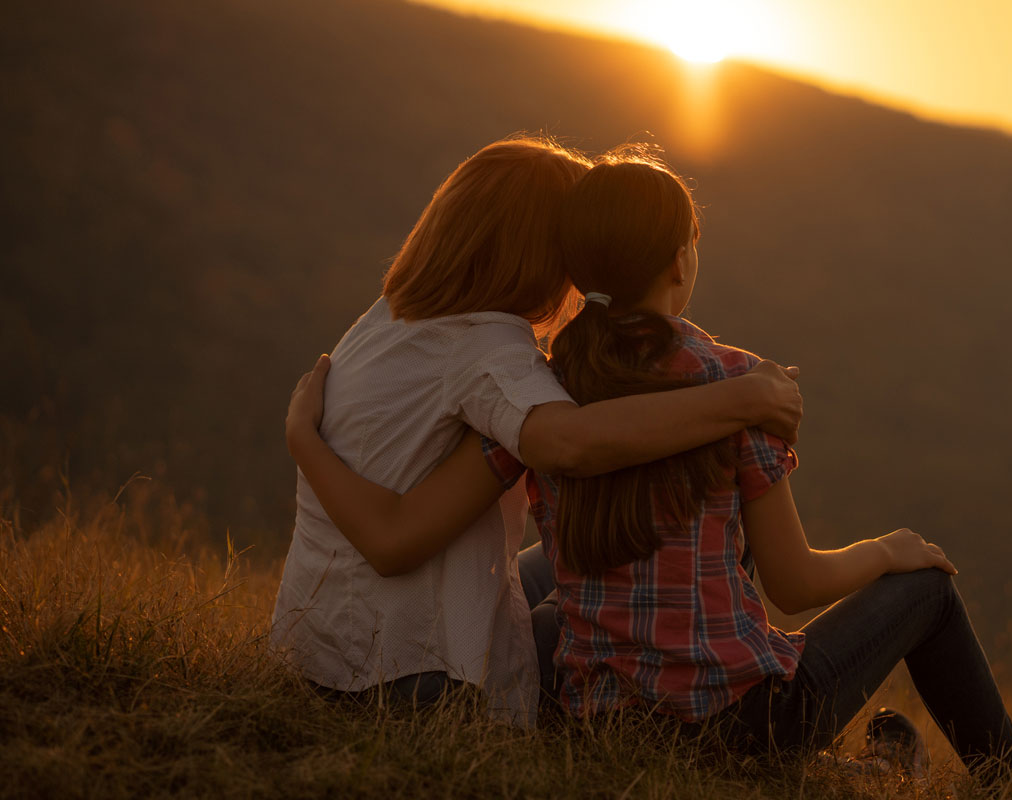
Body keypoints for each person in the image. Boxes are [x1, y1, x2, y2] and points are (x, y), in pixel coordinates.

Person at [285, 147, 1012, 797]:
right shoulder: (728, 379)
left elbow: (539, 458)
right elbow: (794, 584)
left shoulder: (544, 381)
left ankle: (873, 768)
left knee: (590, 570)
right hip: (747, 724)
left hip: (597, 715)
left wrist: (305, 439)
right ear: (681, 259)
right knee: (929, 593)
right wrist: (890, 549)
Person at [273, 136, 803, 726]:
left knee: (605, 561)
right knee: (670, 531)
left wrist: (303, 440)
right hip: (404, 669)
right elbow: (567, 443)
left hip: (322, 647)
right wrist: (743, 395)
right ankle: (714, 696)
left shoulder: (390, 317)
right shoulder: (488, 351)